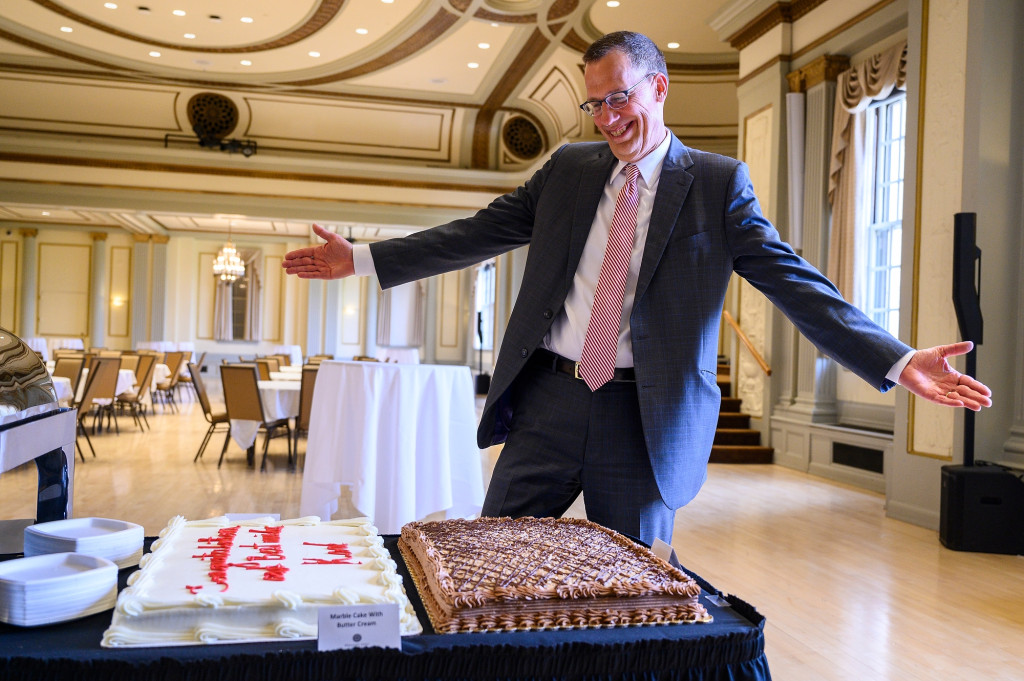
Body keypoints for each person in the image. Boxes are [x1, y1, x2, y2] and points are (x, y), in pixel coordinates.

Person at [283, 31, 992, 546]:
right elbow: (477, 231)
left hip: (644, 419)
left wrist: (897, 358)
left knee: (635, 587)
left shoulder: (717, 185)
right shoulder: (567, 171)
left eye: (619, 97)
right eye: (594, 105)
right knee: (489, 554)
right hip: (548, 403)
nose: (608, 118)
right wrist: (368, 260)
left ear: (658, 86)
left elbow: (795, 281)